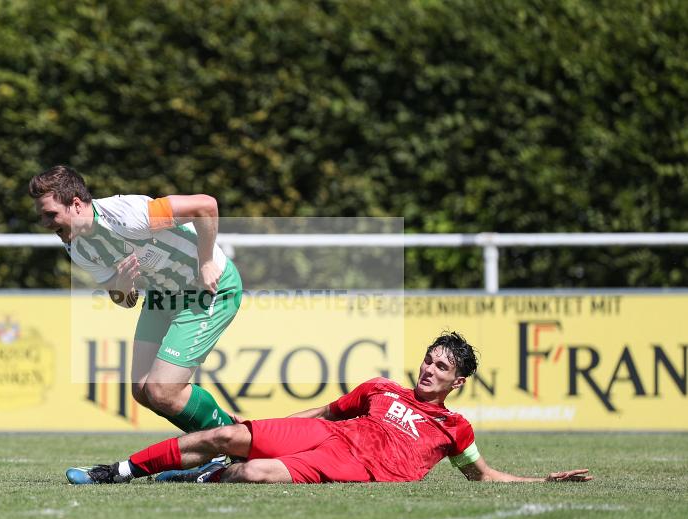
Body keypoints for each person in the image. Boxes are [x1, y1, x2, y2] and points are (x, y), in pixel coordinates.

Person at [65, 332, 592, 484]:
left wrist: (543, 481)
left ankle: (195, 477)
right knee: (227, 437)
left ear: (458, 381)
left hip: (350, 467)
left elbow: (483, 476)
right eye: (428, 360)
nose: (428, 370)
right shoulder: (381, 388)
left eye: (441, 367)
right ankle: (115, 471)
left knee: (254, 474)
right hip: (329, 436)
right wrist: (265, 425)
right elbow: (325, 413)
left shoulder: (456, 428)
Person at [29, 165, 242, 433]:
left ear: (76, 204)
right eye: (42, 217)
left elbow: (206, 205)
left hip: (208, 290)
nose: (45, 224)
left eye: (50, 214)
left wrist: (207, 261)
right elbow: (125, 301)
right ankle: (220, 436)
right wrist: (122, 286)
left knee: (162, 390)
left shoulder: (128, 215)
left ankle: (232, 439)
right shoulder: (78, 247)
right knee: (143, 391)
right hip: (161, 297)